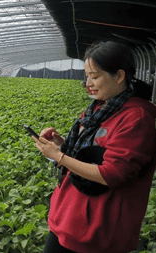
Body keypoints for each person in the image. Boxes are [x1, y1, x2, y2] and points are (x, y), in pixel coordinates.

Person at [34, 41, 156, 253]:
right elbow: (85, 156)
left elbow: (112, 173)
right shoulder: (98, 109)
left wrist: (60, 158)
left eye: (95, 76)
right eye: (87, 75)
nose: (87, 83)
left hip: (96, 235)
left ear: (119, 76)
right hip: (66, 219)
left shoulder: (137, 118)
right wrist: (59, 146)